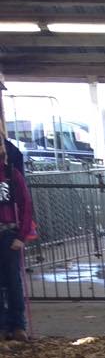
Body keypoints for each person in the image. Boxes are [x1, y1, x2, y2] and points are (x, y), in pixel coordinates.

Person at [0, 136, 36, 341]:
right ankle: (3, 325)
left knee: (13, 281)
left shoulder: (13, 176)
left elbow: (25, 207)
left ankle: (17, 324)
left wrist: (21, 236)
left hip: (9, 233)